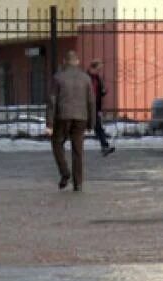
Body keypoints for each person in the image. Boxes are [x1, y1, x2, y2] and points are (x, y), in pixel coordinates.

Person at [48, 52, 95, 191]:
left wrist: (49, 124)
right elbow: (91, 101)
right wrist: (91, 123)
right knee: (78, 150)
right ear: (78, 61)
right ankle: (78, 183)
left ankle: (65, 172)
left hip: (62, 116)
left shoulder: (58, 78)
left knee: (57, 143)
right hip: (81, 117)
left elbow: (52, 101)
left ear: (64, 61)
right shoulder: (86, 78)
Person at [87, 59, 115, 156]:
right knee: (77, 126)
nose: (99, 71)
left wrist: (103, 92)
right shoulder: (86, 78)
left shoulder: (97, 78)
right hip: (85, 106)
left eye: (100, 69)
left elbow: (98, 93)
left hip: (95, 106)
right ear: (92, 68)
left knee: (98, 127)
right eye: (98, 69)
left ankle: (105, 146)